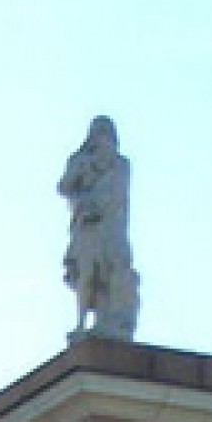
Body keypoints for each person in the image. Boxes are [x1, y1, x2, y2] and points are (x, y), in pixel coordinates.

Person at [58, 115, 140, 341]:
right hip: (86, 227)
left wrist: (96, 200)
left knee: (112, 271)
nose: (102, 138)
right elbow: (64, 187)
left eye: (106, 133)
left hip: (110, 226)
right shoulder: (82, 161)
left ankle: (111, 320)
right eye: (98, 132)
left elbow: (117, 194)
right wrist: (82, 165)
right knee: (86, 274)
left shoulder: (120, 163)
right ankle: (82, 322)